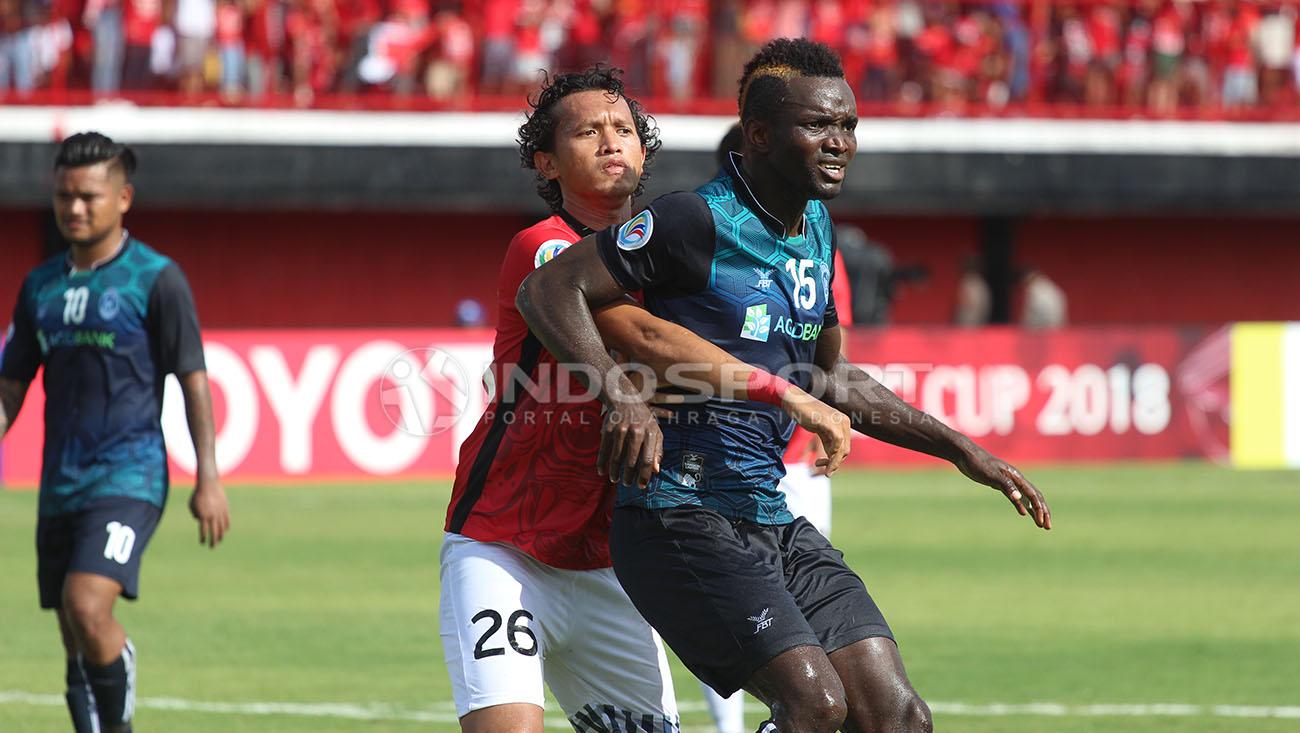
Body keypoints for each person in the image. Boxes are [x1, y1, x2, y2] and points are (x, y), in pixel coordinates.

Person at [517, 39, 1051, 733]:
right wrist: (619, 392)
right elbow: (548, 288)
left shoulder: (817, 230)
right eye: (818, 126)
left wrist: (960, 448)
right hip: (678, 514)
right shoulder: (693, 220)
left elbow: (828, 375)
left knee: (898, 716)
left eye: (848, 126)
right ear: (761, 135)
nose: (839, 143)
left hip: (769, 512)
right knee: (814, 706)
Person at [439, 65, 853, 733]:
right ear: (545, 161)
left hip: (610, 563)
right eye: (587, 131)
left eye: (624, 129)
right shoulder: (544, 250)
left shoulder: (667, 264)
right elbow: (640, 333)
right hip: (504, 546)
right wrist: (781, 391)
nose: (611, 142)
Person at [0, 131, 230, 733]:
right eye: (63, 196)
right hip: (60, 482)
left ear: (122, 198)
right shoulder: (40, 286)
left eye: (87, 197)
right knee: (74, 634)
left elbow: (193, 380)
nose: (74, 208)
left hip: (130, 475)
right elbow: (11, 387)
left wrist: (208, 477)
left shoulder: (156, 278)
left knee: (86, 603)